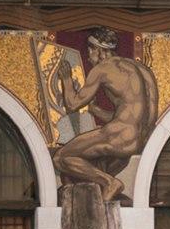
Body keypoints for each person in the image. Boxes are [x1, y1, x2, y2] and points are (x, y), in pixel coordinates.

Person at [52, 27, 158, 202]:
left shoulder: (102, 69)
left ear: (98, 50)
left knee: (61, 158)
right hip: (140, 141)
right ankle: (101, 189)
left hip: (119, 137)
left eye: (89, 51)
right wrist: (95, 110)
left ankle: (110, 183)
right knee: (87, 172)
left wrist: (66, 79)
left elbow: (72, 105)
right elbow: (130, 118)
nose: (88, 57)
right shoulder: (143, 70)